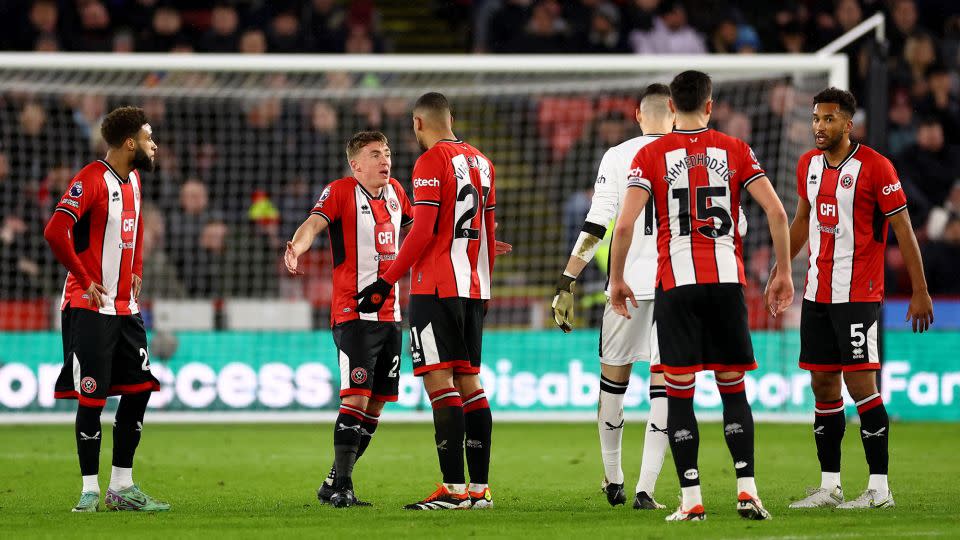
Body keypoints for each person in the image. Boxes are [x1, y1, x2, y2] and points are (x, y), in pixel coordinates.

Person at [609, 70, 794, 522]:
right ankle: (747, 490)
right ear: (710, 106)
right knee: (733, 388)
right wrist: (784, 271)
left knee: (679, 393)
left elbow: (627, 223)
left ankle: (691, 498)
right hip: (728, 284)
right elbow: (775, 209)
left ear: (671, 107)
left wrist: (616, 278)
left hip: (677, 286)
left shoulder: (652, 153)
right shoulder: (735, 150)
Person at [774, 88, 934, 510]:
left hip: (858, 294)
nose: (819, 127)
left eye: (828, 120)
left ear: (848, 123)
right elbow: (802, 219)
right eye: (815, 119)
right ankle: (830, 487)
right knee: (822, 384)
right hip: (816, 293)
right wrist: (781, 269)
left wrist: (919, 291)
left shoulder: (876, 167)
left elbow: (904, 231)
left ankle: (880, 489)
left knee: (861, 384)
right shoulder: (807, 165)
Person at [354, 92, 499, 510]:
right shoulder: (483, 163)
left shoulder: (431, 162)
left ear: (418, 123)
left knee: (440, 381)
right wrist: (484, 279)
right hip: (473, 286)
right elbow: (488, 230)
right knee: (470, 382)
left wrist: (385, 282)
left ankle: (453, 490)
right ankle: (479, 490)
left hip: (435, 288)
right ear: (450, 117)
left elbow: (422, 231)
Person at [552, 83, 675, 510]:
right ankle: (646, 490)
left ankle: (613, 478)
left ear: (638, 115)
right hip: (678, 288)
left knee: (613, 386)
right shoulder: (693, 154)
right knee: (664, 389)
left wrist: (567, 281)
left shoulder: (619, 155)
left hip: (626, 287)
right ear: (674, 113)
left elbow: (596, 224)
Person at [43, 106, 169, 512]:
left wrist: (138, 269)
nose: (155, 145)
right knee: (92, 399)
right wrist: (81, 277)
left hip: (125, 309)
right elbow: (55, 230)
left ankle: (122, 487)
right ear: (130, 143)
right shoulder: (91, 179)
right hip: (89, 308)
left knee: (138, 392)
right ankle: (90, 490)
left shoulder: (132, 179)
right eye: (149, 138)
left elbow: (137, 226)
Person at [284, 131, 413, 508]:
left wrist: (471, 244)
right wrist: (297, 246)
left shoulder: (397, 194)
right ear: (356, 164)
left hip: (391, 315)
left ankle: (333, 481)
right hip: (353, 312)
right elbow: (312, 225)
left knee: (375, 405)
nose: (384, 160)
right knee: (356, 397)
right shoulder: (340, 191)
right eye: (375, 155)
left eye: (387, 153)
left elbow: (420, 231)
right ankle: (343, 487)